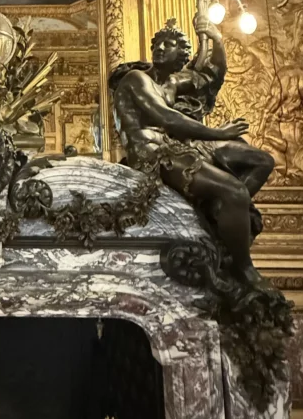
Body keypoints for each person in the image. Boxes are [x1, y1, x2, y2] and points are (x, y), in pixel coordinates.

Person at [110, 18, 275, 286]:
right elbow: (167, 118)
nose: (160, 48)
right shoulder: (135, 79)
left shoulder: (171, 85)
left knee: (262, 162)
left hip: (175, 150)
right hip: (152, 157)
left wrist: (216, 39)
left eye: (169, 44)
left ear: (181, 55)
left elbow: (210, 76)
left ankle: (220, 213)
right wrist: (219, 133)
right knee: (236, 191)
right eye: (157, 43)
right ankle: (244, 268)